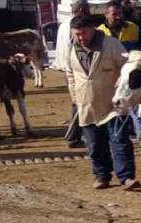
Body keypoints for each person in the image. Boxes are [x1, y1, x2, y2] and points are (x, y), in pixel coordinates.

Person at [65, 16, 139, 191]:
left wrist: (123, 78)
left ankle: (126, 177)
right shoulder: (71, 49)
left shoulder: (111, 44)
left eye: (84, 33)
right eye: (77, 34)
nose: (81, 37)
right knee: (95, 145)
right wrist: (75, 96)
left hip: (114, 103)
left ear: (92, 29)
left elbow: (127, 65)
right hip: (86, 105)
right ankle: (101, 176)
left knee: (120, 141)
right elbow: (70, 75)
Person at [100, 1, 141, 150]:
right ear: (106, 15)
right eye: (114, 14)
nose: (118, 17)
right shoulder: (99, 32)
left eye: (120, 13)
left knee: (133, 104)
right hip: (109, 75)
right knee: (114, 106)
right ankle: (119, 134)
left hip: (129, 73)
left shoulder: (133, 28)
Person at [57, 2, 100, 149]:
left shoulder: (64, 24)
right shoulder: (75, 26)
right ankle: (73, 136)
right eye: (87, 9)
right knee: (79, 103)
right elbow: (74, 46)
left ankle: (75, 135)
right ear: (81, 10)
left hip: (68, 65)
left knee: (78, 103)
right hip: (76, 67)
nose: (89, 12)